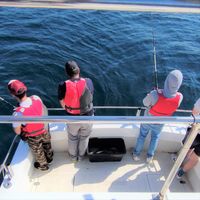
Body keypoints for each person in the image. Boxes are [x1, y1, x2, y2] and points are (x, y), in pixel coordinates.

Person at [132, 70, 183, 163]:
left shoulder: (154, 94)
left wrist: (151, 95)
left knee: (142, 135)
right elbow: (171, 103)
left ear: (167, 81)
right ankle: (149, 157)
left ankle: (136, 155)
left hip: (148, 119)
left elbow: (145, 103)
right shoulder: (180, 97)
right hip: (161, 122)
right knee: (155, 137)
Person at [8, 80, 53, 171]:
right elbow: (42, 111)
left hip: (33, 137)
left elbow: (18, 131)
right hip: (44, 130)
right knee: (47, 145)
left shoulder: (17, 114)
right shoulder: (36, 98)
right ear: (25, 89)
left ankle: (44, 166)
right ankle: (50, 159)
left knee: (38, 153)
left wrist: (18, 112)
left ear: (13, 95)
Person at [58, 60, 94, 162]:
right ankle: (81, 156)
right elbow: (90, 95)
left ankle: (73, 157)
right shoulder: (88, 81)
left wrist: (67, 108)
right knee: (84, 137)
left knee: (73, 138)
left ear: (67, 73)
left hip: (72, 116)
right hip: (88, 115)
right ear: (79, 70)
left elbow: (61, 101)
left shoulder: (62, 85)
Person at [177, 98, 200, 179]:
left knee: (186, 148)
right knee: (195, 157)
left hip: (196, 131)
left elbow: (195, 113)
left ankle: (177, 163)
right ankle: (181, 172)